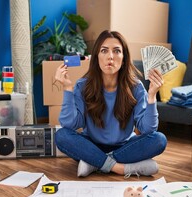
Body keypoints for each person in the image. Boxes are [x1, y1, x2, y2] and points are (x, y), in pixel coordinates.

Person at [54, 30, 167, 178]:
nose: (110, 56)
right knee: (61, 135)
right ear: (97, 57)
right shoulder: (83, 86)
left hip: (125, 147)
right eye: (104, 51)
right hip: (91, 145)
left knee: (159, 140)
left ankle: (94, 163)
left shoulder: (136, 87)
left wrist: (152, 96)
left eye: (117, 51)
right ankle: (119, 167)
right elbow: (69, 125)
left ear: (124, 58)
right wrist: (67, 88)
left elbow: (147, 129)